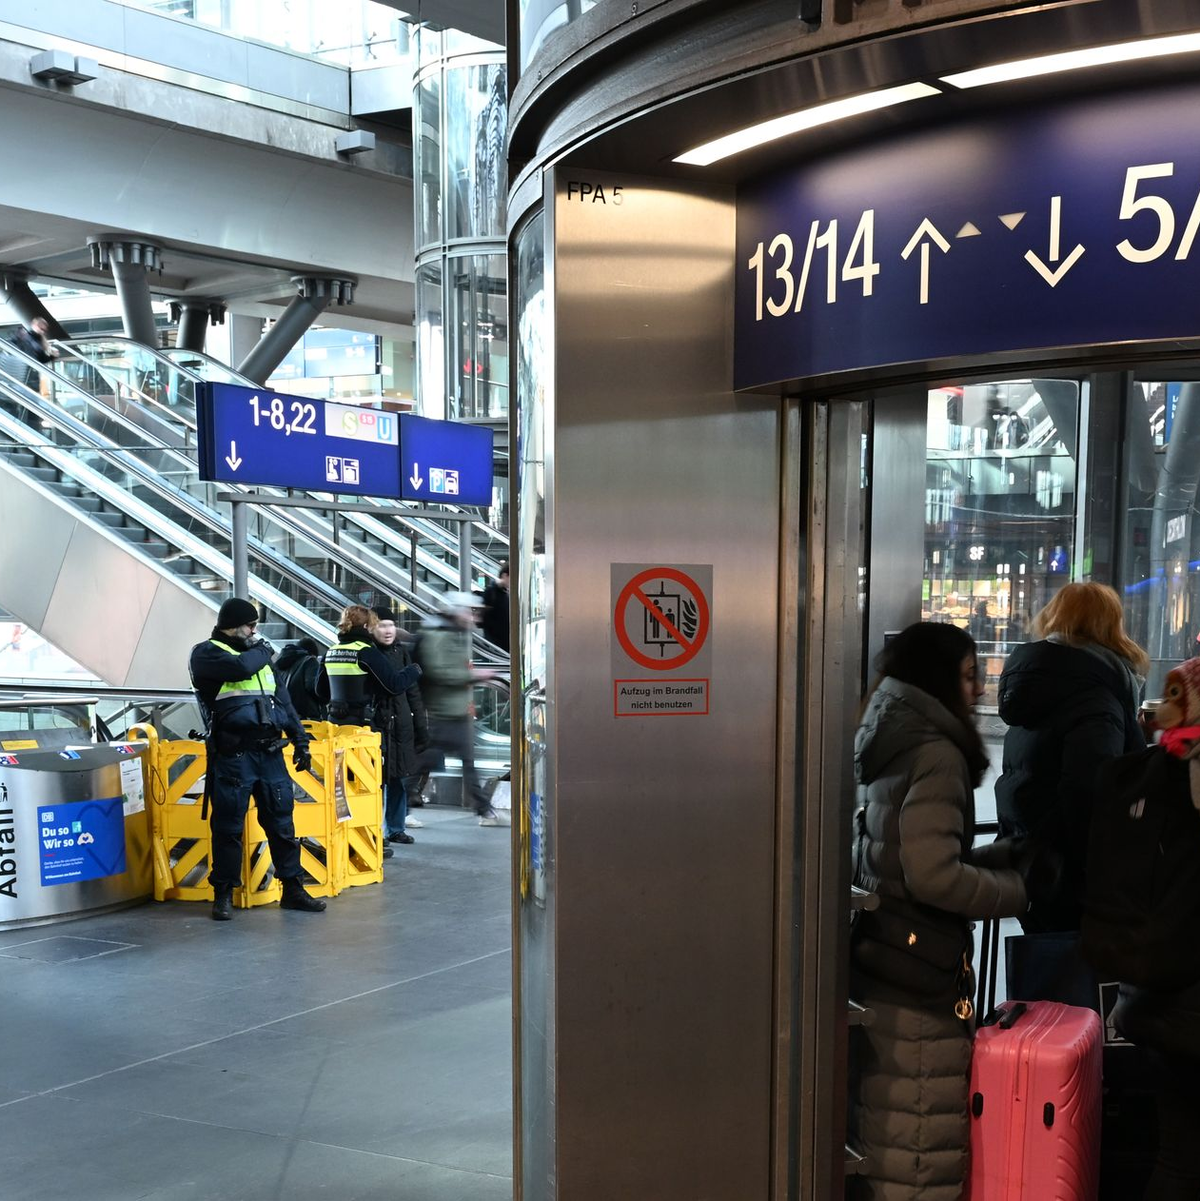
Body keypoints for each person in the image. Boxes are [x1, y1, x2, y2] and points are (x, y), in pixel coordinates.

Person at [849, 622, 1029, 1201]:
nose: (977, 690)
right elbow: (933, 877)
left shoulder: (892, 737)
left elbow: (909, 855)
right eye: (969, 675)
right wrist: (1018, 891)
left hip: (886, 953)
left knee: (892, 1129)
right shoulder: (937, 752)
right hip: (921, 967)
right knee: (921, 1140)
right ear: (939, 677)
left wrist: (998, 856)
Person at [994, 581, 1147, 933]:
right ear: (1110, 625)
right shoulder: (1095, 696)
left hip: (1031, 859)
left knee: (1050, 973)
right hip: (1072, 877)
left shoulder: (1037, 682)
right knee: (1081, 980)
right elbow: (1088, 790)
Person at [188, 597, 325, 921]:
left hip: (270, 754)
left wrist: (300, 740)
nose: (255, 630)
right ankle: (223, 894)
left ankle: (292, 889)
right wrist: (263, 651)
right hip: (234, 755)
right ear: (232, 626)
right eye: (251, 625)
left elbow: (284, 702)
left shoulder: (258, 657)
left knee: (282, 826)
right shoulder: (207, 653)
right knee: (228, 827)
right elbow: (241, 667)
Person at [319, 605, 423, 857]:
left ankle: (346, 836)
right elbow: (394, 684)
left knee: (343, 786)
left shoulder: (332, 651)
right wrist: (414, 670)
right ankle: (369, 839)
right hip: (363, 731)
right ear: (366, 627)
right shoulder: (365, 653)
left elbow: (320, 691)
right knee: (369, 786)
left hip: (336, 728)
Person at [416, 591, 507, 826]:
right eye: (471, 611)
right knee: (426, 761)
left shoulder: (454, 633)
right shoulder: (438, 635)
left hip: (456, 711)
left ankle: (484, 810)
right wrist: (474, 676)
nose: (474, 618)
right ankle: (399, 804)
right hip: (441, 712)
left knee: (466, 761)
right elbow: (439, 672)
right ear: (457, 611)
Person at [371, 607, 429, 847]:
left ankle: (396, 828)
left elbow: (413, 691)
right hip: (379, 724)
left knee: (398, 778)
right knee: (376, 781)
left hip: (401, 724)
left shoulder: (402, 653)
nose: (387, 630)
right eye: (382, 626)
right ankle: (376, 829)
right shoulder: (369, 654)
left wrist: (420, 725)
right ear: (371, 628)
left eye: (391, 625)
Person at [274, 637, 324, 721]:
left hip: (284, 716)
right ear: (312, 653)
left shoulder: (280, 665)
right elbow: (313, 687)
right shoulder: (310, 661)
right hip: (306, 717)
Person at [9, 316, 58, 388]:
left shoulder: (37, 339)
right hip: (23, 372)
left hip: (30, 374)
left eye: (44, 330)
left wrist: (52, 356)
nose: (43, 331)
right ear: (34, 325)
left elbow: (41, 359)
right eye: (41, 329)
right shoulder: (26, 337)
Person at [481, 562, 510, 652]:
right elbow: (485, 619)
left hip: (506, 641)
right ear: (505, 575)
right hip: (495, 643)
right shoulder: (490, 591)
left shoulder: (505, 593)